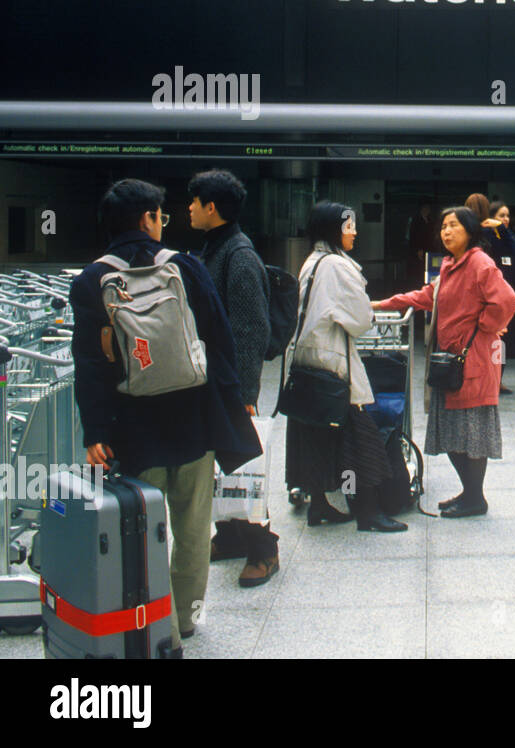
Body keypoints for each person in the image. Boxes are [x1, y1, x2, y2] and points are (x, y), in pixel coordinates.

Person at [71, 179, 261, 649]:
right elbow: (219, 340)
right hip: (194, 421)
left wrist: (95, 430)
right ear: (148, 219)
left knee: (145, 536)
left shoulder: (90, 281)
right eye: (160, 215)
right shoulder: (185, 267)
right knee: (193, 531)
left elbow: (89, 363)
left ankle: (162, 632)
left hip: (133, 432)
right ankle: (187, 616)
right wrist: (233, 403)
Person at [373, 207, 515, 517]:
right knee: (453, 434)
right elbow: (425, 296)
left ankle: (475, 498)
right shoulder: (451, 266)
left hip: (473, 361)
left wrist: (485, 325)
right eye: (443, 226)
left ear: (469, 230)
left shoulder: (480, 262)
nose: (446, 231)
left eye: (453, 225)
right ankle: (469, 493)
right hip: (450, 363)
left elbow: (507, 301)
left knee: (471, 434)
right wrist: (382, 303)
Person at [285, 201, 406, 532]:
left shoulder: (312, 261)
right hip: (335, 366)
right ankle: (367, 512)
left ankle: (320, 506)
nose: (355, 232)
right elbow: (359, 320)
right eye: (349, 226)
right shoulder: (338, 266)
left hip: (306, 363)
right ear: (334, 229)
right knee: (358, 443)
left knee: (316, 436)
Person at [188, 169, 279, 589]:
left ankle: (264, 550)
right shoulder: (216, 247)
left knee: (243, 468)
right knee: (222, 466)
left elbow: (251, 328)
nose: (188, 208)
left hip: (231, 385)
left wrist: (245, 393)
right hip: (214, 381)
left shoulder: (238, 255)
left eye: (195, 202)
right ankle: (229, 537)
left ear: (212, 208)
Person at [488, 199, 515, 361]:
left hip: (512, 292)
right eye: (501, 215)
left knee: (507, 338)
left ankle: (499, 379)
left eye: (507, 215)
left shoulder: (510, 237)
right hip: (495, 295)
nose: (506, 219)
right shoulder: (490, 238)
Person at [408, 198, 437, 289]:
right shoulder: (416, 220)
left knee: (428, 270)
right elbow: (414, 236)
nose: (428, 210)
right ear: (422, 208)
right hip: (419, 250)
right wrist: (418, 249)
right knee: (419, 270)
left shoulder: (430, 219)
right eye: (426, 208)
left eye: (429, 208)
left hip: (429, 249)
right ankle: (418, 288)